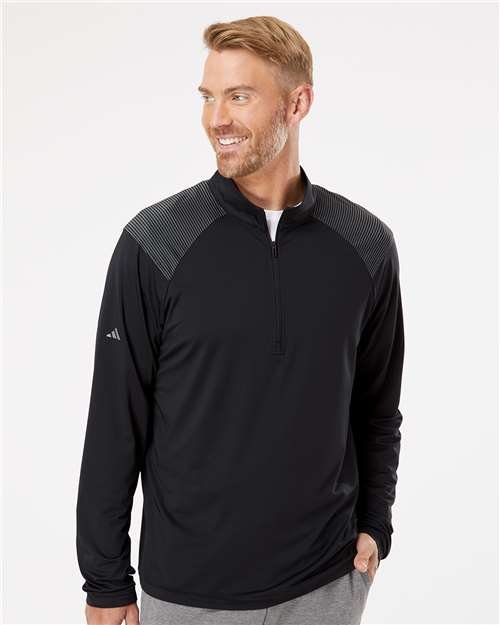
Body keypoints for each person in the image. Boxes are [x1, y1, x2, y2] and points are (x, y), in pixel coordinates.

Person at [76, 14, 405, 625]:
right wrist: (105, 581)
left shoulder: (365, 245)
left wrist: (376, 525)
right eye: (208, 97)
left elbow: (377, 407)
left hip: (325, 586)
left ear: (298, 103)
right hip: (190, 596)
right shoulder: (155, 243)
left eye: (239, 96)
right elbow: (116, 422)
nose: (216, 118)